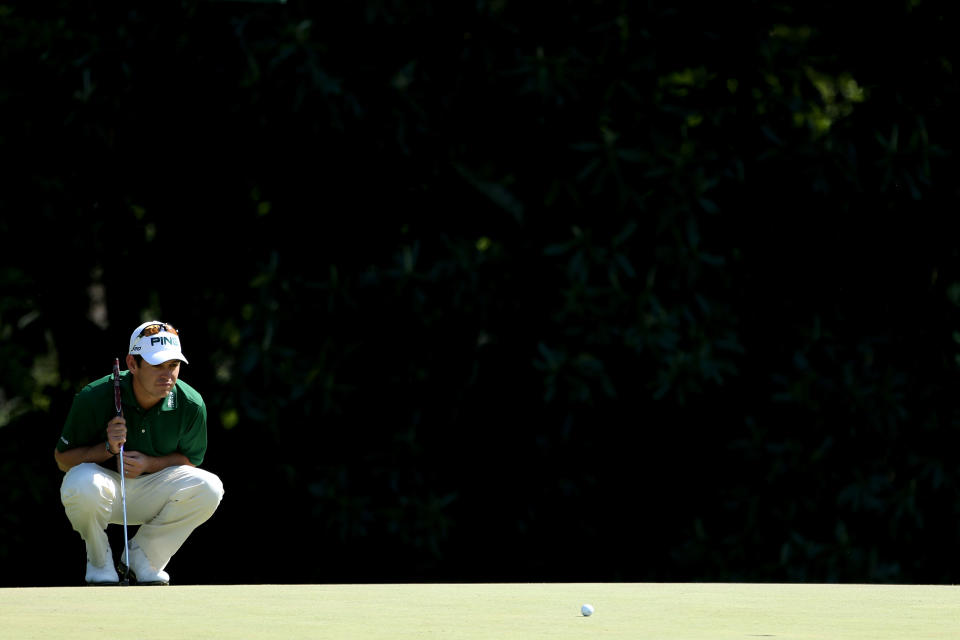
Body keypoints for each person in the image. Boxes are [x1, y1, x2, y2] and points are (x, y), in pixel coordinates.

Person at [54, 321, 224, 585]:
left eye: (173, 366)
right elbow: (63, 460)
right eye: (158, 365)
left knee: (210, 487)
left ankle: (142, 559)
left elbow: (190, 461)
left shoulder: (190, 404)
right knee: (80, 481)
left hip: (153, 491)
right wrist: (107, 448)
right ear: (132, 364)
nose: (167, 375)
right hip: (103, 491)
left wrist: (150, 464)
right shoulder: (94, 397)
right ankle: (100, 564)